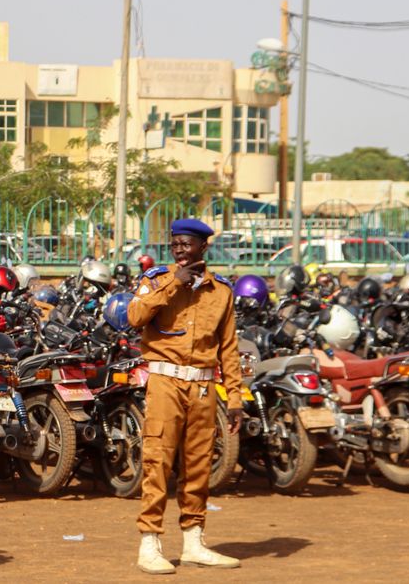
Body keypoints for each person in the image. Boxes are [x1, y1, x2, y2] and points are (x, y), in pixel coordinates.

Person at [127, 218, 243, 574]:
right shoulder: (157, 280)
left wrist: (236, 397)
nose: (179, 249)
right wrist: (171, 287)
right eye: (175, 243)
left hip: (204, 386)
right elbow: (134, 317)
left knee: (198, 464)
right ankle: (150, 543)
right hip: (165, 381)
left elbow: (229, 348)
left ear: (203, 248)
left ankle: (194, 542)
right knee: (157, 460)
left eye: (187, 243)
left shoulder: (221, 291)